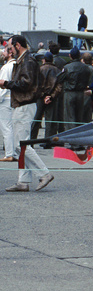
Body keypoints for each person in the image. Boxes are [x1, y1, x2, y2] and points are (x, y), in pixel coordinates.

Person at [2, 37, 52, 192]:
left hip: (25, 105)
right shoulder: (25, 60)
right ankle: (23, 180)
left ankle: (44, 173)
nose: (9, 51)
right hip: (23, 104)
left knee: (21, 145)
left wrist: (5, 84)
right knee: (21, 145)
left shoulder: (27, 61)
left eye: (10, 47)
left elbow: (26, 84)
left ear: (17, 46)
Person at [0, 44, 15, 162]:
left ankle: (9, 153)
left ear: (10, 53)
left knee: (6, 127)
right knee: (12, 127)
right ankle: (13, 151)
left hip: (5, 100)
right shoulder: (17, 65)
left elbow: (2, 87)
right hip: (14, 98)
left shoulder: (6, 67)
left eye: (5, 51)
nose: (3, 53)